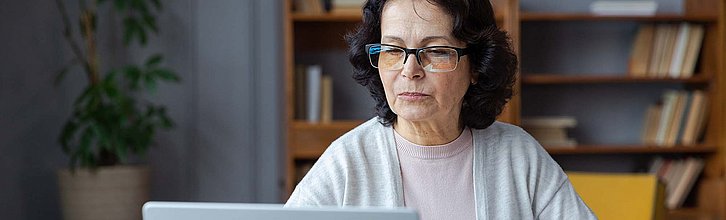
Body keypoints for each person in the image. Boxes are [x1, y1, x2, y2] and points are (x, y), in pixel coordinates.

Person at [286, 0, 596, 219]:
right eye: (393, 50)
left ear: (476, 65)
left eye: (435, 52)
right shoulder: (347, 161)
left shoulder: (519, 156)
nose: (410, 70)